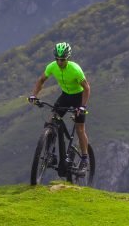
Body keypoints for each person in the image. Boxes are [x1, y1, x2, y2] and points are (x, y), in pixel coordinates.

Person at [29, 41, 91, 172]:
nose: (59, 62)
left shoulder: (75, 69)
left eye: (62, 59)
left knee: (80, 128)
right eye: (57, 59)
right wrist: (34, 95)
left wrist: (83, 106)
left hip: (78, 97)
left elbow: (86, 88)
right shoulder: (52, 67)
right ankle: (51, 154)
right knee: (51, 120)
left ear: (67, 58)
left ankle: (85, 159)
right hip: (65, 96)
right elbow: (41, 80)